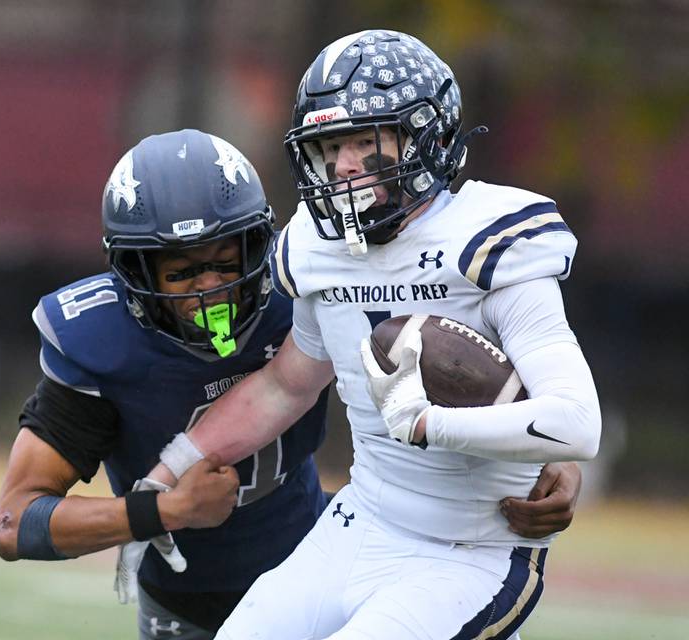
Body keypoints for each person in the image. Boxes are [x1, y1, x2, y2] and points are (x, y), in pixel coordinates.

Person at [0, 128, 581, 640]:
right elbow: (14, 523)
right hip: (186, 598)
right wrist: (160, 510)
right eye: (183, 271)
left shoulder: (304, 285)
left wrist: (543, 458)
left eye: (226, 260)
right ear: (135, 274)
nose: (211, 287)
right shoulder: (101, 343)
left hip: (317, 557)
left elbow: (431, 374)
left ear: (257, 243)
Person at [149, 30, 601, 640]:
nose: (343, 165)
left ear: (427, 135)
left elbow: (576, 422)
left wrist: (429, 424)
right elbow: (285, 386)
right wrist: (166, 472)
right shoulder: (314, 243)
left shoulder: (489, 238)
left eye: (365, 140)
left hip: (471, 549)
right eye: (330, 146)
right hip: (363, 521)